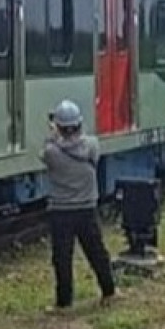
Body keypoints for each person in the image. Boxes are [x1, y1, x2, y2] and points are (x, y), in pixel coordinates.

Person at [40, 101, 117, 312]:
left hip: (61, 212)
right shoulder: (92, 145)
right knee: (97, 252)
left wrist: (54, 134)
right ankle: (109, 291)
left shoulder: (52, 153)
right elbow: (89, 149)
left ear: (58, 127)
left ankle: (64, 302)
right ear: (80, 124)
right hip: (87, 209)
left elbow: (46, 151)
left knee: (62, 258)